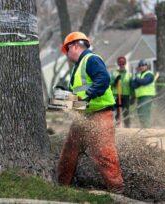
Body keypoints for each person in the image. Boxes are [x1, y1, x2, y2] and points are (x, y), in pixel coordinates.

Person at [57, 31, 124, 193]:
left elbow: (103, 79)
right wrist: (63, 97)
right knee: (69, 151)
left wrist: (87, 97)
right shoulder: (78, 67)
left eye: (67, 51)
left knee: (104, 154)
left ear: (74, 46)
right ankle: (60, 186)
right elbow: (79, 93)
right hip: (83, 116)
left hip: (100, 114)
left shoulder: (91, 59)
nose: (67, 55)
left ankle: (117, 191)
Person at [131, 59, 156, 128]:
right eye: (140, 65)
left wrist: (137, 80)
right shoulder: (139, 75)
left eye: (143, 65)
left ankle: (147, 127)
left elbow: (144, 82)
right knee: (140, 112)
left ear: (146, 66)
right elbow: (133, 85)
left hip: (147, 96)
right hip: (140, 97)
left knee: (144, 112)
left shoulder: (149, 74)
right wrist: (139, 81)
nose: (142, 67)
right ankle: (143, 127)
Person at [110, 56, 132, 127]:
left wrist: (133, 96)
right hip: (117, 96)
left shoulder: (129, 74)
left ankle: (127, 126)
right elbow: (110, 84)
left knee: (126, 112)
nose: (122, 65)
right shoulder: (114, 73)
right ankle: (117, 125)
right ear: (118, 64)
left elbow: (131, 86)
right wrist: (115, 81)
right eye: (120, 64)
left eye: (123, 64)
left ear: (125, 64)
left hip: (126, 96)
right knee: (117, 112)